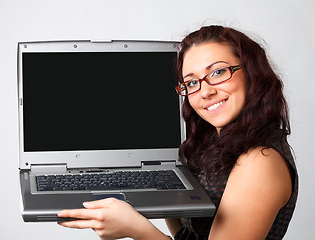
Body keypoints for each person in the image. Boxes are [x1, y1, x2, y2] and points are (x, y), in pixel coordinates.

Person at [57, 25, 298, 240]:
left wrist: (138, 230)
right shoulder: (212, 146)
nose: (205, 92)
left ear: (252, 73)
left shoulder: (259, 162)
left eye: (217, 72)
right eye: (192, 82)